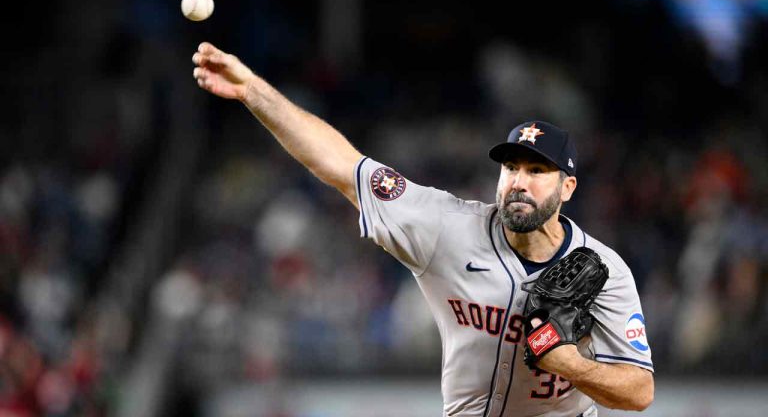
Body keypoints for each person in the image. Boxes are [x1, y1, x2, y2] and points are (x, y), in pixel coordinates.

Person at [191, 42, 654, 417]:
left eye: (536, 170)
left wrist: (570, 364)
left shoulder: (604, 271)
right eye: (511, 167)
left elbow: (639, 391)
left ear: (567, 187)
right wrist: (252, 90)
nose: (519, 181)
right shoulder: (447, 227)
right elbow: (339, 165)